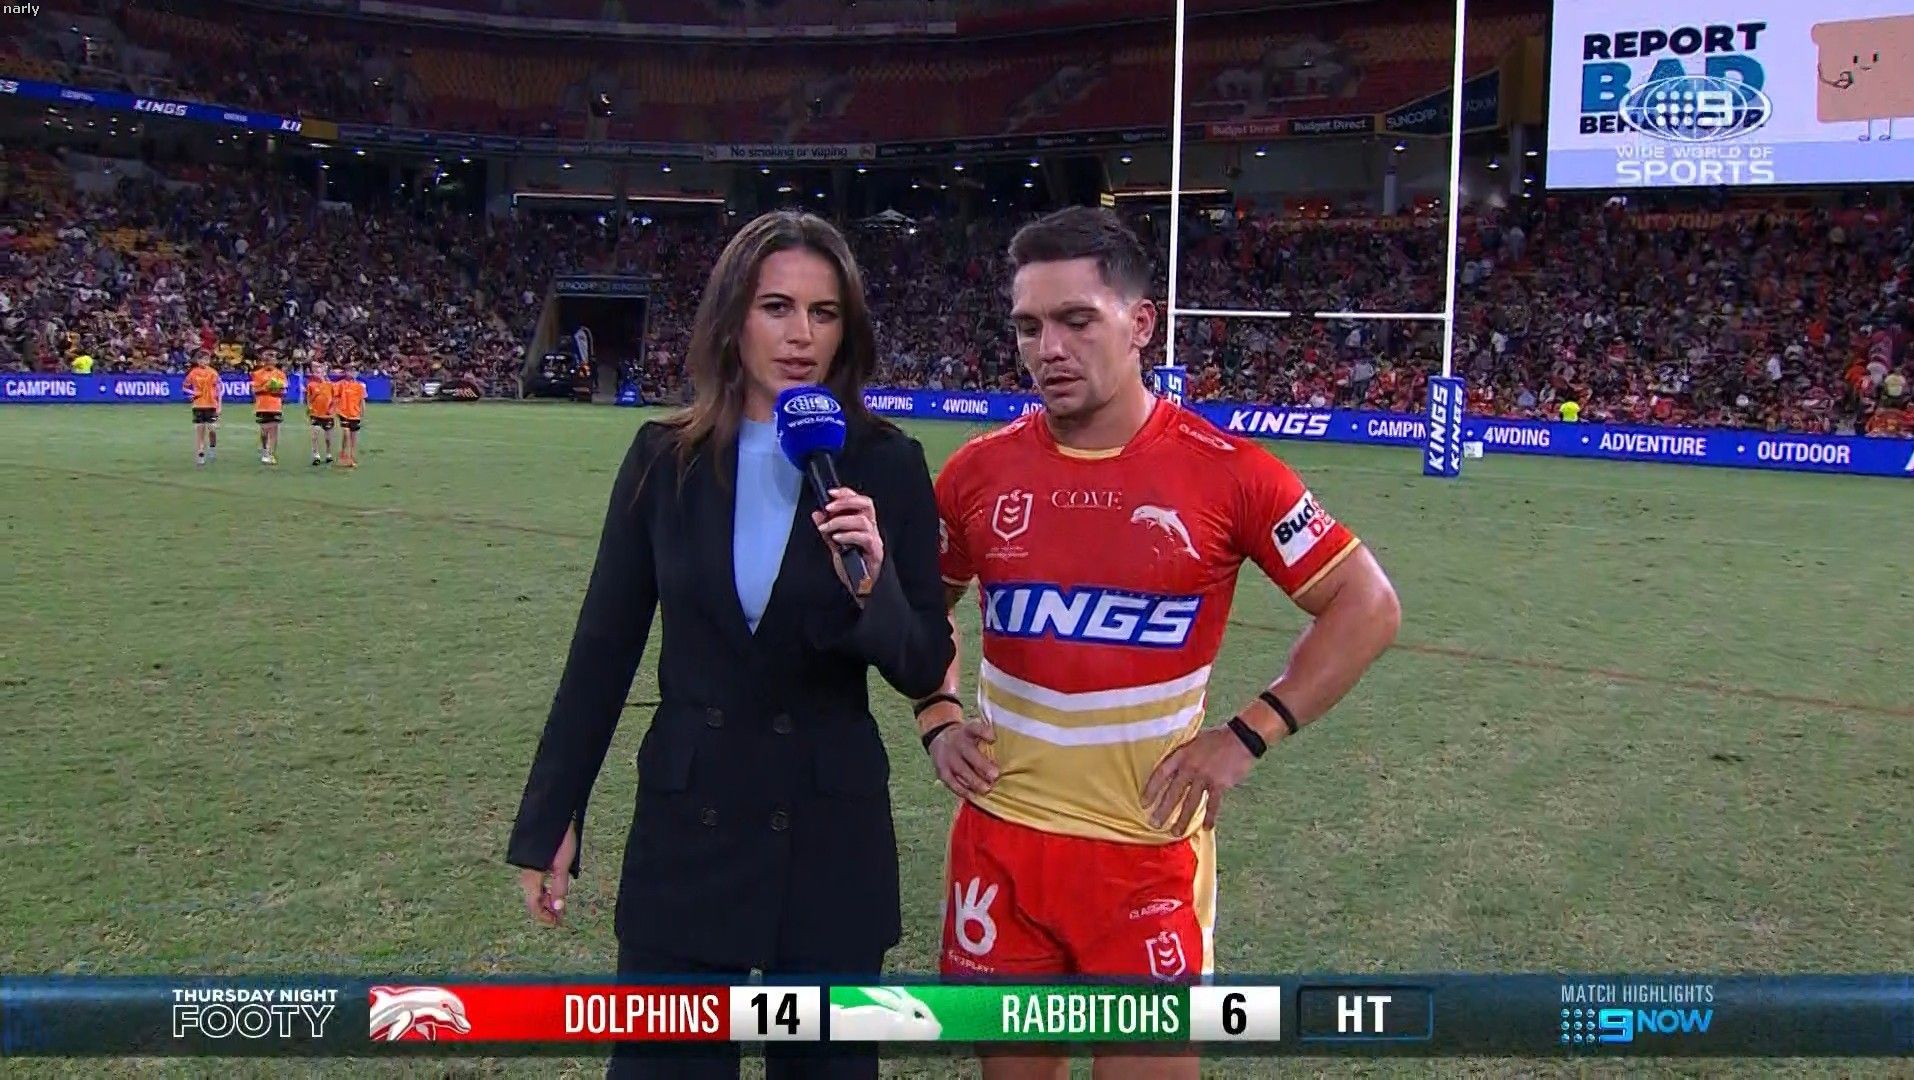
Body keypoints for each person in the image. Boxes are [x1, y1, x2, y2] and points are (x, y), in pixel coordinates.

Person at [922, 207, 1402, 1080]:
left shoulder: (1229, 472)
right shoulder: (977, 472)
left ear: (1141, 323)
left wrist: (1249, 733)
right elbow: (922, 606)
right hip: (1001, 845)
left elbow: (1367, 604)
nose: (1048, 349)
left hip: (1147, 855)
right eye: (1028, 327)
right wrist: (937, 712)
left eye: (1077, 320)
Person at [506, 210, 954, 1080]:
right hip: (688, 835)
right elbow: (601, 650)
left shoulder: (886, 463)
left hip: (827, 841)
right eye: (776, 307)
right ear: (732, 318)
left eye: (823, 313)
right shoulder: (662, 459)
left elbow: (922, 660)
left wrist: (876, 586)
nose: (800, 335)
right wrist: (552, 815)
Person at [183, 350, 221, 466]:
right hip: (198, 405)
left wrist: (219, 406)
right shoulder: (193, 372)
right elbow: (185, 387)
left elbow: (219, 390)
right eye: (200, 359)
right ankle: (200, 454)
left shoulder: (213, 373)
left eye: (205, 359)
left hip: (211, 405)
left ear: (208, 361)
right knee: (200, 430)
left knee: (212, 429)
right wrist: (192, 393)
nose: (202, 362)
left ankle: (212, 447)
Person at [250, 349, 288, 465]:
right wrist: (267, 387)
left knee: (274, 430)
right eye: (268, 360)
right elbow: (254, 390)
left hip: (275, 405)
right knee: (264, 431)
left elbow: (284, 391)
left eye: (272, 359)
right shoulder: (257, 374)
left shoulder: (280, 374)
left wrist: (276, 389)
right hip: (262, 405)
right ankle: (265, 450)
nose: (270, 362)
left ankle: (271, 454)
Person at [332, 365, 366, 468]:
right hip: (343, 413)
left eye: (353, 371)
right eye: (349, 371)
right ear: (345, 372)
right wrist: (335, 409)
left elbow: (362, 400)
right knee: (346, 433)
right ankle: (343, 453)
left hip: (355, 414)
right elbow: (335, 397)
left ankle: (351, 456)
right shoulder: (340, 384)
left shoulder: (360, 386)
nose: (351, 373)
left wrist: (363, 414)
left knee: (353, 437)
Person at [304, 361, 336, 466]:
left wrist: (331, 409)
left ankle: (328, 454)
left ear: (324, 373)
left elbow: (334, 399)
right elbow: (309, 399)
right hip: (315, 414)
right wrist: (309, 407)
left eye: (320, 372)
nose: (318, 374)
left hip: (327, 414)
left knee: (328, 438)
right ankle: (316, 456)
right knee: (315, 435)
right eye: (316, 372)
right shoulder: (311, 385)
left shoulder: (330, 385)